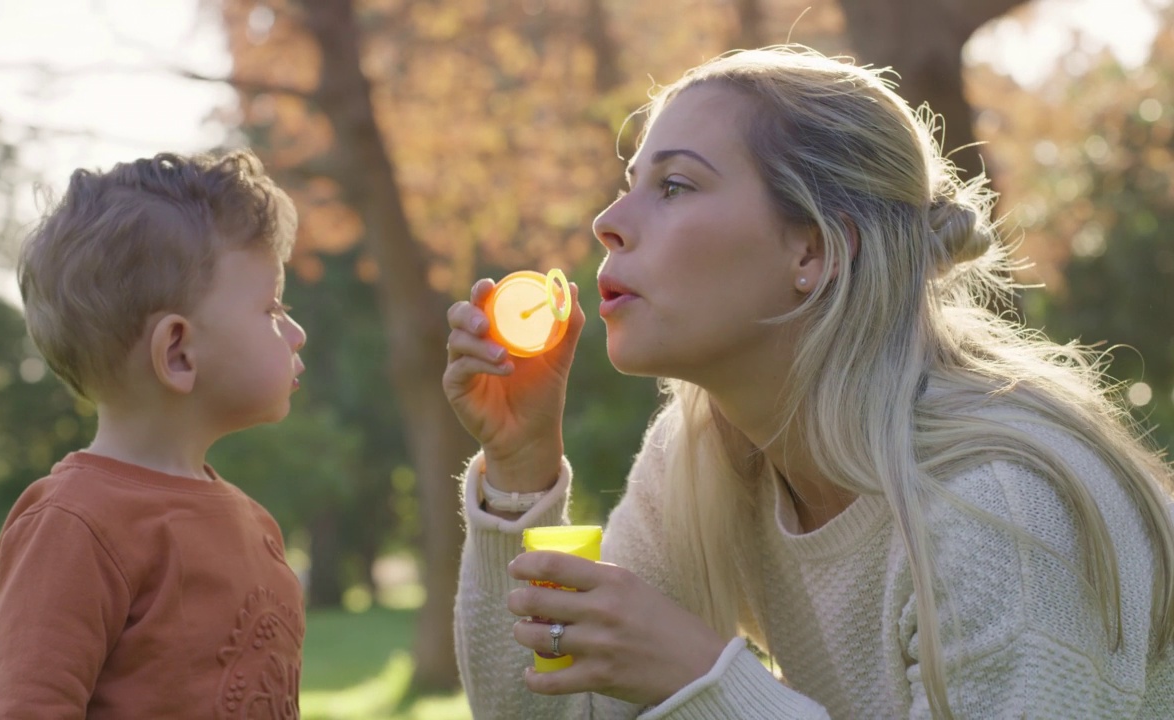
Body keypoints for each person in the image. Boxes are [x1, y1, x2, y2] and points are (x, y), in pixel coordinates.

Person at [443, 45, 1174, 719]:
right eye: (629, 184)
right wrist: (519, 466)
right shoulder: (703, 456)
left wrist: (705, 678)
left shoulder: (1001, 511)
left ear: (816, 251)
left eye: (673, 184)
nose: (607, 221)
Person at [0, 150, 309, 718]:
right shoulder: (72, 528)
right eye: (272, 308)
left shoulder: (256, 525)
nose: (296, 333)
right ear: (178, 351)